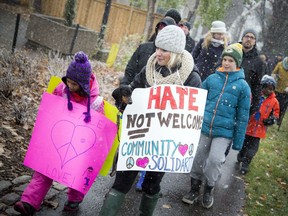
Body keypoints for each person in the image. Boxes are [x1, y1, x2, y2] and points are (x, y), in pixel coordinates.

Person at [99, 25, 202, 216]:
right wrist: (124, 94)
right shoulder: (150, 68)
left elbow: (191, 115)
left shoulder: (192, 78)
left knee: (151, 185)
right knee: (122, 181)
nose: (158, 53)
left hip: (164, 144)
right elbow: (133, 91)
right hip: (138, 136)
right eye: (157, 48)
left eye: (163, 50)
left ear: (175, 52)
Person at [14, 51, 104, 215]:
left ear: (83, 85)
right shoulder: (61, 89)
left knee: (78, 174)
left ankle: (74, 201)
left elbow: (99, 128)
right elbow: (50, 111)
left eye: (74, 84)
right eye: (68, 81)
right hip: (59, 138)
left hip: (79, 144)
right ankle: (29, 202)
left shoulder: (96, 103)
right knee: (44, 170)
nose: (69, 86)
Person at [182, 43, 251, 208]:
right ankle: (194, 188)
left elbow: (243, 116)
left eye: (231, 61)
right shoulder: (212, 79)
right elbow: (196, 99)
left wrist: (238, 142)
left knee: (214, 160)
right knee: (198, 157)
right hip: (204, 127)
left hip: (224, 133)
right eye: (225, 59)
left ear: (238, 64)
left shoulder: (243, 87)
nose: (226, 63)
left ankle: (208, 189)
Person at [238, 75, 280, 174]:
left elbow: (276, 114)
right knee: (243, 146)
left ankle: (245, 165)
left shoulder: (274, 102)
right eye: (266, 88)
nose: (268, 91)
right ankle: (240, 156)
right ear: (262, 87)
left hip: (259, 131)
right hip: (248, 127)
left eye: (271, 89)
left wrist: (272, 120)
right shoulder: (255, 96)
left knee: (252, 150)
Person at [120, 16, 176, 86]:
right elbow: (130, 70)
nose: (161, 31)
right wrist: (124, 87)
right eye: (160, 28)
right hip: (135, 90)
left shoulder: (174, 58)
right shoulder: (143, 48)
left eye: (165, 29)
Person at [240, 29, 265, 116]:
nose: (249, 39)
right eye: (247, 36)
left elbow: (257, 84)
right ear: (242, 38)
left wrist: (254, 105)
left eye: (252, 37)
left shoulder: (258, 61)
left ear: (255, 41)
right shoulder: (233, 52)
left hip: (243, 98)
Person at [271, 56, 288, 127]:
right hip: (277, 88)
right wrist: (275, 77)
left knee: (282, 106)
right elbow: (274, 73)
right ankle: (271, 117)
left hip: (285, 91)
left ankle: (278, 120)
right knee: (273, 104)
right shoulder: (280, 64)